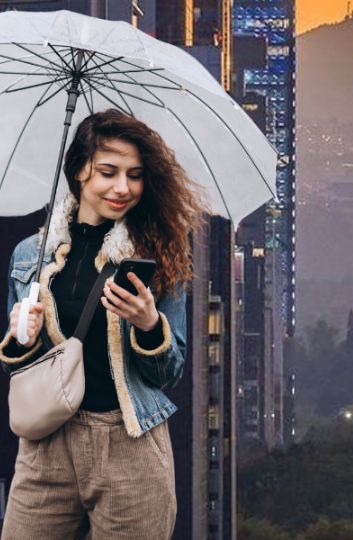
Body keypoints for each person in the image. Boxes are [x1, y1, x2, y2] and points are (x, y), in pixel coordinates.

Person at [0, 109, 205, 539]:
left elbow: (171, 371)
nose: (122, 187)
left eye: (134, 175)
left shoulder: (158, 254)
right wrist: (22, 336)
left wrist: (149, 324)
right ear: (78, 171)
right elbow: (18, 366)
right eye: (108, 172)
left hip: (129, 443)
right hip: (46, 444)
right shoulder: (30, 256)